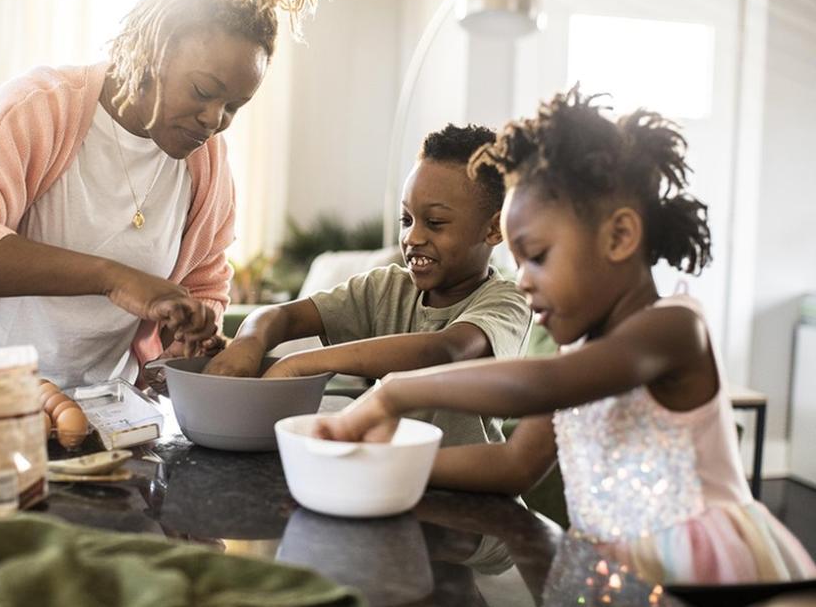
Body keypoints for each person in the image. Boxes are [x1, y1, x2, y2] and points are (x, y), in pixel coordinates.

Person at [316, 89, 816, 585]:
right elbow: (514, 464)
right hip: (611, 576)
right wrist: (388, 463)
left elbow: (543, 383)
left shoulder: (675, 328)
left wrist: (396, 391)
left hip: (703, 575)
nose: (525, 279)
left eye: (538, 256)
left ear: (619, 237)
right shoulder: (577, 351)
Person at [0, 0, 320, 413]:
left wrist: (187, 330)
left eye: (234, 106)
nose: (214, 120)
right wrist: (114, 279)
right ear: (151, 50)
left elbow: (203, 283)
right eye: (203, 91)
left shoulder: (208, 164)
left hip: (101, 406)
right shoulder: (42, 105)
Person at [202, 124, 532, 447]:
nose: (412, 238)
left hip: (467, 495)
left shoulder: (508, 300)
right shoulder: (385, 288)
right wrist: (248, 342)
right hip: (385, 478)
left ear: (493, 229)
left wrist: (301, 363)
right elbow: (281, 316)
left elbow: (441, 350)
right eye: (407, 220)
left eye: (435, 223)